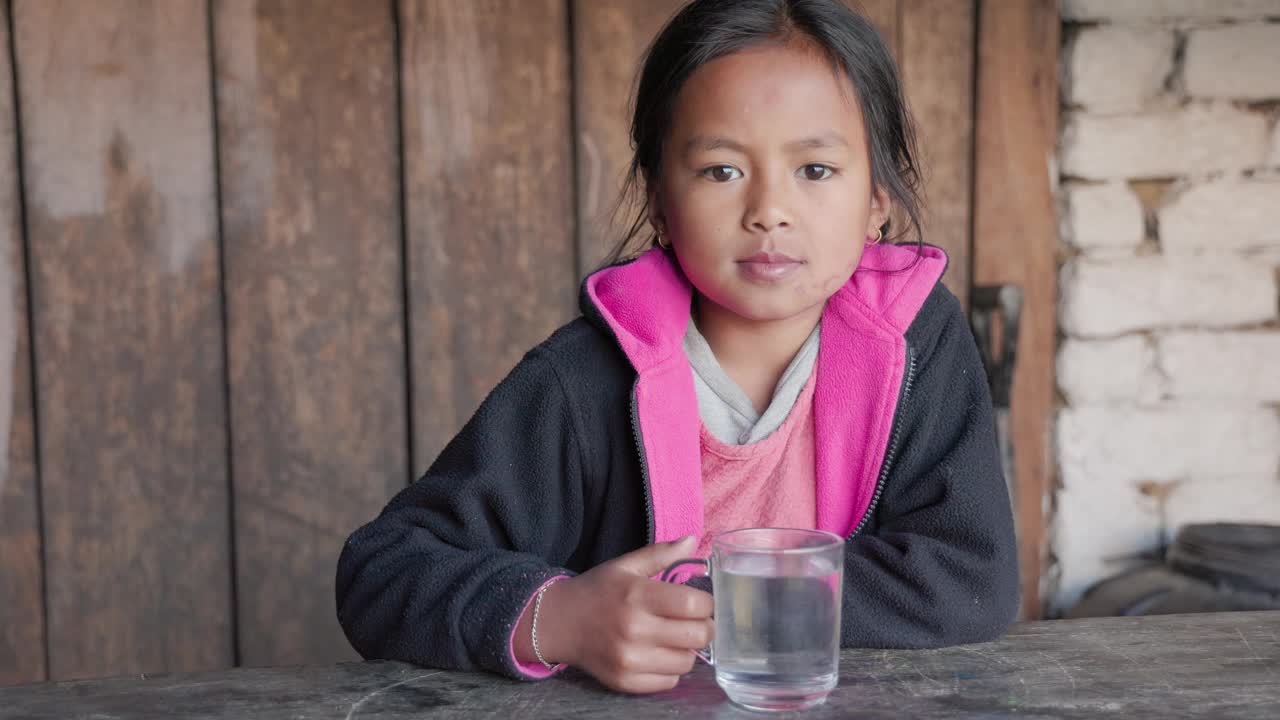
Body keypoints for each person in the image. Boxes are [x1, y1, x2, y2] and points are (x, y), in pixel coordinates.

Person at [336, 0, 1018, 695]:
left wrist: (709, 601)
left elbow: (970, 576)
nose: (769, 211)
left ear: (878, 201)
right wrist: (559, 617)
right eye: (722, 171)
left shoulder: (911, 341)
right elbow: (382, 569)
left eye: (815, 170)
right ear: (660, 203)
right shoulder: (586, 379)